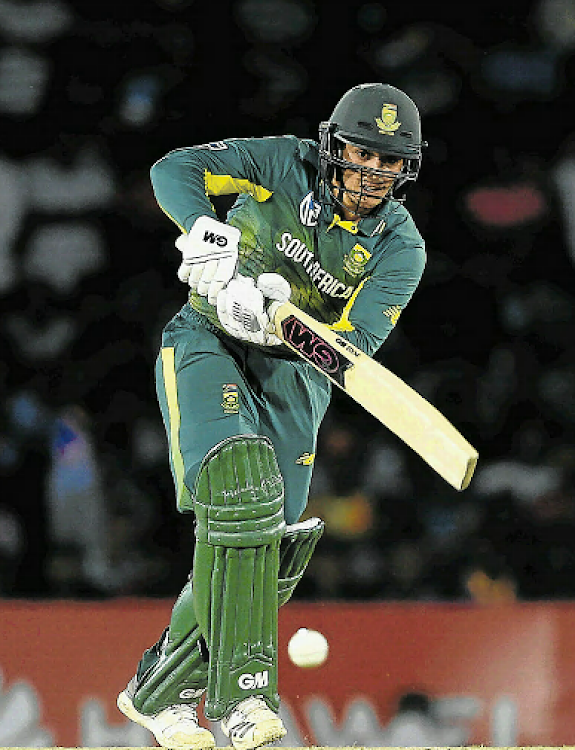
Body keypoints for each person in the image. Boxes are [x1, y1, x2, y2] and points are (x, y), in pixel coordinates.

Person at [116, 82, 427, 750]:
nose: (370, 171)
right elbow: (174, 168)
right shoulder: (282, 164)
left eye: (387, 161)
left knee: (272, 552)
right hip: (206, 341)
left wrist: (270, 325)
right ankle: (243, 699)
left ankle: (161, 692)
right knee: (239, 489)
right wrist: (207, 231)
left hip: (295, 375)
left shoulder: (401, 248)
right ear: (331, 145)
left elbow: (351, 351)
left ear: (407, 169)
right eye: (359, 152)